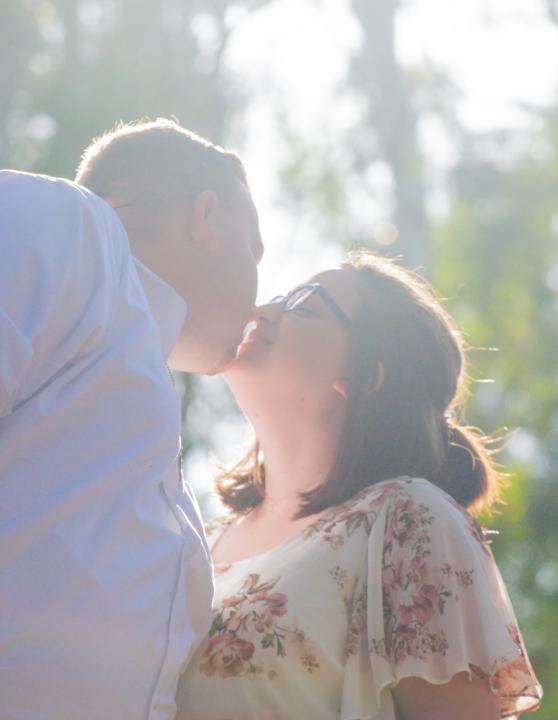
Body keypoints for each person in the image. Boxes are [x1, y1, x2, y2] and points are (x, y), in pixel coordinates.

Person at [176, 251, 542, 720]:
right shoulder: (195, 539)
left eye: (304, 306)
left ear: (363, 376)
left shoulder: (408, 521)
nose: (260, 312)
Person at [0, 119, 263, 719]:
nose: (260, 290)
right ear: (207, 218)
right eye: (255, 249)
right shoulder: (67, 227)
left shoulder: (139, 384)